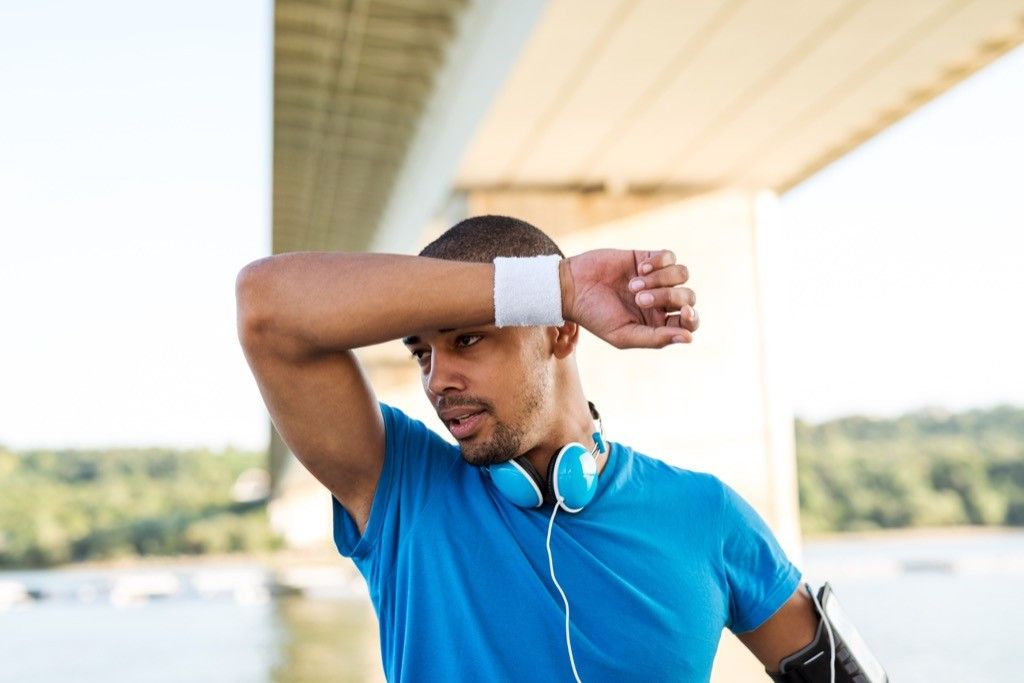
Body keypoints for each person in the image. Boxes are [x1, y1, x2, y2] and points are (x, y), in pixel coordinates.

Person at [235, 215, 822, 682]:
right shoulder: (402, 491)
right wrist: (558, 285)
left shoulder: (707, 515)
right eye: (422, 353)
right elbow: (266, 307)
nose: (437, 379)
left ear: (561, 331)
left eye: (468, 338)